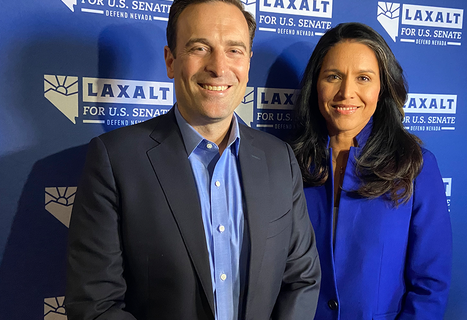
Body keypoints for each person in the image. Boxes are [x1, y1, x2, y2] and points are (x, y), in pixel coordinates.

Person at [65, 0, 321, 319]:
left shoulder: (279, 158)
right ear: (171, 61)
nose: (218, 67)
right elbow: (95, 305)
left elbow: (301, 280)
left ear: (248, 62)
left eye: (234, 50)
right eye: (200, 47)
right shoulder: (114, 160)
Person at [291, 22, 451, 320]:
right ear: (316, 85)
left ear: (382, 87)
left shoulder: (415, 166)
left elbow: (430, 285)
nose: (346, 92)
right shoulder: (287, 162)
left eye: (363, 78)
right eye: (333, 76)